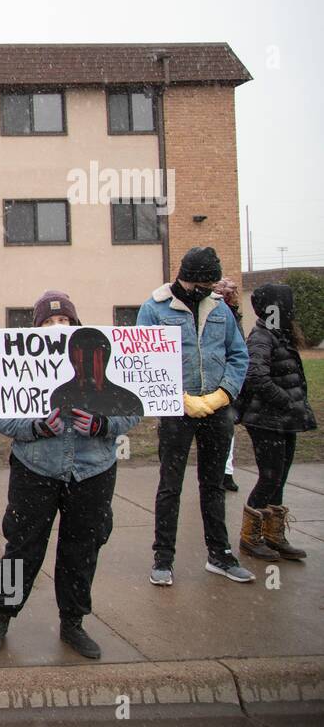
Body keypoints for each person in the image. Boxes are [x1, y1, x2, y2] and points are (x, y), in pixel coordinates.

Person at [0, 292, 140, 659]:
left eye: (65, 321)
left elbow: (134, 409)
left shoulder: (102, 359)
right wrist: (35, 427)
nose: (58, 327)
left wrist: (103, 424)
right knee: (23, 545)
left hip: (93, 469)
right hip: (36, 467)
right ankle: (1, 615)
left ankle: (73, 623)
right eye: (49, 323)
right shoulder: (20, 362)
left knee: (82, 549)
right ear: (36, 329)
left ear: (76, 323)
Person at [137, 247, 250, 586]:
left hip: (216, 410)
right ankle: (163, 558)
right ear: (188, 278)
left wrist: (223, 395)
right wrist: (179, 398)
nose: (210, 289)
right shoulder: (153, 309)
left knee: (213, 484)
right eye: (205, 283)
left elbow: (238, 355)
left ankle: (220, 554)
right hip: (176, 412)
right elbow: (145, 360)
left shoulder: (220, 310)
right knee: (170, 485)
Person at [235, 283, 315, 563]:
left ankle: (274, 534)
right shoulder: (262, 336)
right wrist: (284, 400)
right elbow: (256, 375)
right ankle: (250, 537)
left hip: (285, 420)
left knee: (279, 478)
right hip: (267, 420)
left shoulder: (281, 335)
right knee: (269, 477)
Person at [214, 278, 243, 492]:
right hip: (208, 380)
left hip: (224, 383)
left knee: (227, 431)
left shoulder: (231, 316)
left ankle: (226, 471)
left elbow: (238, 350)